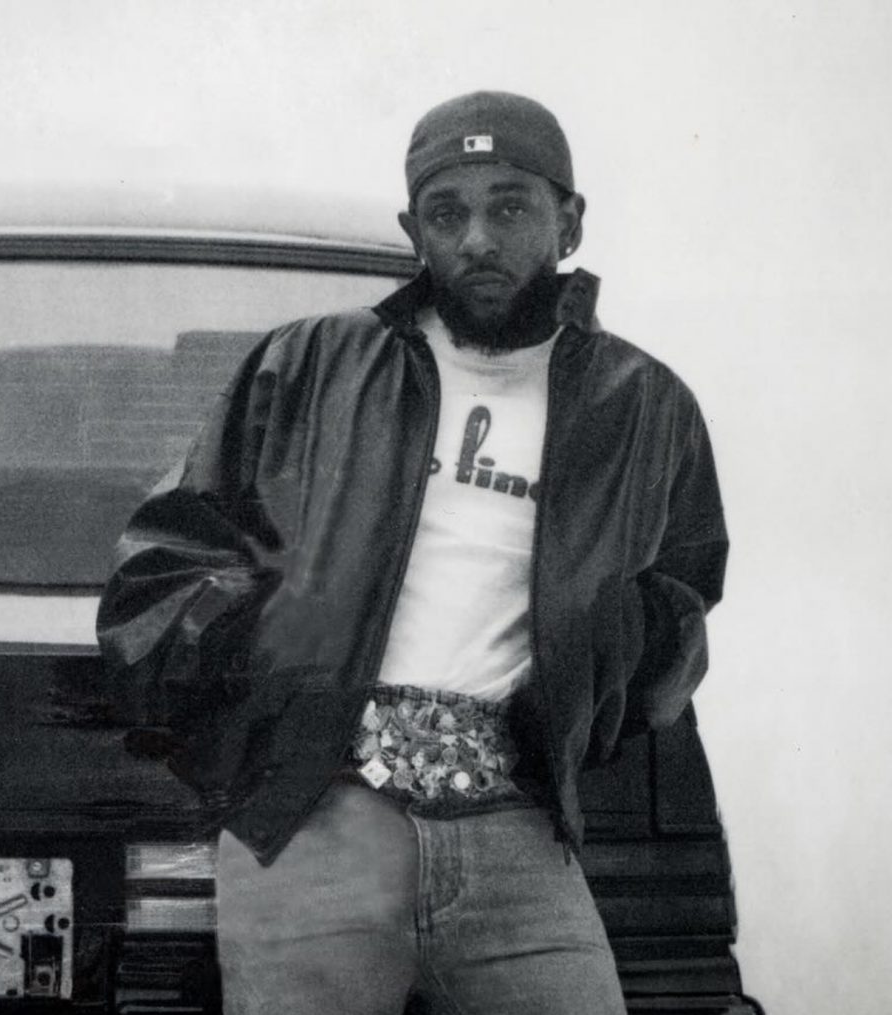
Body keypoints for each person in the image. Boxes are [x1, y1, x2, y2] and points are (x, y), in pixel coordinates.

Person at [96, 91, 727, 1015]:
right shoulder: (310, 365)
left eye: (509, 206)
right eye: (446, 212)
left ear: (569, 221)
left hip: (516, 825)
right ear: (413, 232)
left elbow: (681, 598)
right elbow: (164, 567)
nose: (477, 238)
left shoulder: (644, 405)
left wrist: (591, 686)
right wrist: (282, 699)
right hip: (318, 820)